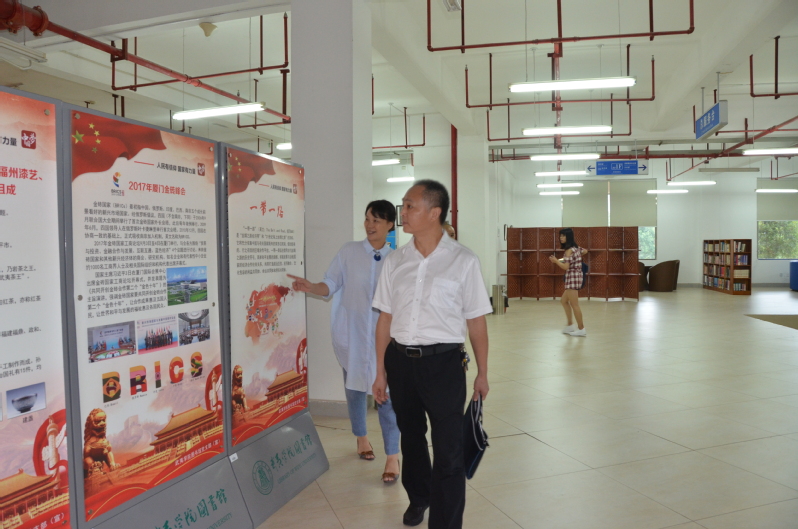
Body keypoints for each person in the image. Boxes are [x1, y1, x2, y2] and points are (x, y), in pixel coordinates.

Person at [372, 180, 491, 529]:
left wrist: (483, 373)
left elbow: (476, 321)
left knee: (449, 449)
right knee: (411, 437)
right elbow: (384, 319)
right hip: (400, 363)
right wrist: (380, 370)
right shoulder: (395, 261)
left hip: (444, 364)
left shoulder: (463, 261)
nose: (403, 212)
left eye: (410, 206)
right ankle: (419, 496)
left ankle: (446, 523)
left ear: (434, 212)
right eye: (404, 205)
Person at [288, 200, 401, 483]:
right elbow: (330, 283)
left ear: (390, 225)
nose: (370, 225)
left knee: (387, 397)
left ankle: (392, 455)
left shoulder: (397, 260)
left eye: (376, 220)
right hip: (352, 335)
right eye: (367, 219)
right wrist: (312, 286)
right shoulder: (349, 252)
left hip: (385, 339)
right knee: (354, 390)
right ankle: (361, 438)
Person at [549, 228, 588, 336]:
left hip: (572, 277)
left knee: (574, 304)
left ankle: (581, 328)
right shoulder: (576, 248)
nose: (561, 238)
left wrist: (556, 261)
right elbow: (585, 251)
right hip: (577, 276)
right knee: (563, 301)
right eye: (560, 235)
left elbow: (566, 267)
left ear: (568, 237)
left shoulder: (568, 250)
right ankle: (570, 325)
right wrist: (576, 258)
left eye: (563, 236)